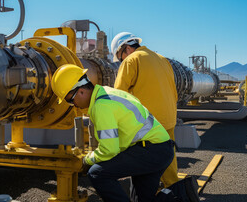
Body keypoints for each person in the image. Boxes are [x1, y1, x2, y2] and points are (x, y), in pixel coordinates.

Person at [51, 64, 175, 202]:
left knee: (97, 173)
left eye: (70, 100)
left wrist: (87, 160)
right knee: (142, 199)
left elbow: (109, 150)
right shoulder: (107, 92)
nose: (73, 105)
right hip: (159, 148)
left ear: (81, 91)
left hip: (150, 150)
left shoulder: (101, 105)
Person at [111, 32, 180, 188]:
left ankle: (148, 192)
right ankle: (174, 189)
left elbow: (118, 94)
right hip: (169, 116)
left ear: (127, 48)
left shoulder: (132, 60)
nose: (121, 60)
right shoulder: (162, 59)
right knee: (167, 156)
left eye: (120, 56)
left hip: (149, 122)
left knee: (143, 159)